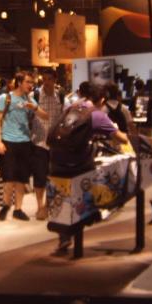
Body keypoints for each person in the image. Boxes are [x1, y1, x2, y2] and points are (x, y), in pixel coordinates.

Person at [49, 82, 129, 255]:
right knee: (100, 178)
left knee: (64, 196)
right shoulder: (96, 114)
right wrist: (115, 129)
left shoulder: (70, 108)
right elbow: (122, 139)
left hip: (56, 161)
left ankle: (64, 236)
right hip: (78, 164)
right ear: (101, 100)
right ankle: (94, 212)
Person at [0, 71, 49, 221]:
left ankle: (18, 209)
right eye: (28, 82)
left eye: (32, 82)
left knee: (22, 178)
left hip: (25, 142)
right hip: (8, 141)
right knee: (8, 177)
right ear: (19, 82)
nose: (31, 85)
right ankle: (6, 205)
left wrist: (34, 108)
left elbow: (46, 116)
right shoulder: (5, 98)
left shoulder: (29, 99)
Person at [29, 69, 65, 220]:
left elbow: (63, 116)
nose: (46, 82)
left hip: (55, 143)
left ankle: (50, 204)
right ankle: (40, 207)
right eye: (44, 79)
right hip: (39, 142)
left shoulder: (60, 96)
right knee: (39, 175)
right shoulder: (35, 95)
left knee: (54, 175)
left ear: (55, 80)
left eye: (49, 79)